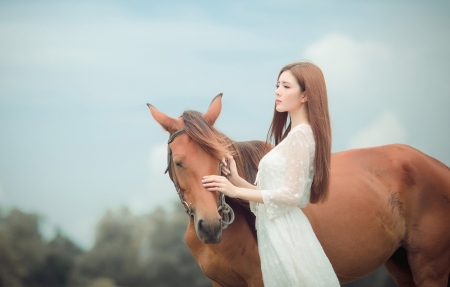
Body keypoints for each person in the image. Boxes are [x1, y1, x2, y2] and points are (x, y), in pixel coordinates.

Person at [202, 61, 340, 286]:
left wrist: (234, 190)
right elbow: (272, 195)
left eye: (286, 86)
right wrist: (237, 180)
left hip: (286, 234)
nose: (277, 91)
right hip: (274, 231)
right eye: (278, 85)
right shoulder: (294, 136)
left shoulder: (301, 136)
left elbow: (292, 196)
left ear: (305, 96)